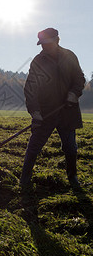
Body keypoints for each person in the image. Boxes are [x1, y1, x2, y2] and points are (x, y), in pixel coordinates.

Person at [20, 28, 85, 188]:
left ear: (57, 41)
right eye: (41, 44)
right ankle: (24, 180)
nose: (44, 47)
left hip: (67, 111)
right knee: (34, 147)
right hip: (45, 113)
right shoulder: (38, 61)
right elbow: (30, 88)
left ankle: (73, 178)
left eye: (47, 44)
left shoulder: (70, 56)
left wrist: (74, 93)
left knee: (70, 148)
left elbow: (79, 79)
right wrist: (35, 111)